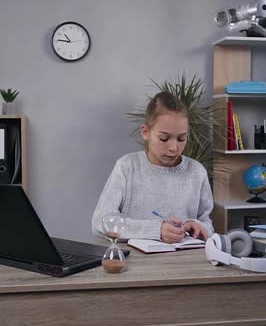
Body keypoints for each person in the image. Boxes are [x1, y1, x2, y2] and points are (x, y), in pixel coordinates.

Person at [92, 91, 214, 244]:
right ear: (145, 132)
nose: (174, 148)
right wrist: (156, 230)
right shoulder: (127, 166)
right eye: (164, 138)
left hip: (184, 261)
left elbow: (207, 224)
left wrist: (197, 226)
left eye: (182, 138)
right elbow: (100, 222)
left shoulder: (197, 171)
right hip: (135, 262)